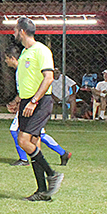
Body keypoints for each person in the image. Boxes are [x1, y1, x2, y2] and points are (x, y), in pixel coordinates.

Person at [8, 17, 63, 201]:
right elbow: (27, 81)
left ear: (22, 31)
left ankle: (52, 173)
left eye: (15, 29)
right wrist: (19, 101)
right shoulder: (25, 52)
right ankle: (42, 191)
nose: (13, 33)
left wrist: (33, 101)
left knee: (23, 140)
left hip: (40, 102)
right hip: (27, 102)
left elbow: (48, 78)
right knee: (33, 144)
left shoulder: (41, 50)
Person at [3, 44, 70, 167]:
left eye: (6, 58)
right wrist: (16, 102)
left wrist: (29, 102)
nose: (5, 61)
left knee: (16, 131)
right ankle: (62, 153)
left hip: (35, 104)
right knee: (38, 134)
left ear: (12, 58)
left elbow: (31, 88)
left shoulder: (23, 69)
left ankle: (25, 159)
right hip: (33, 103)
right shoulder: (21, 69)